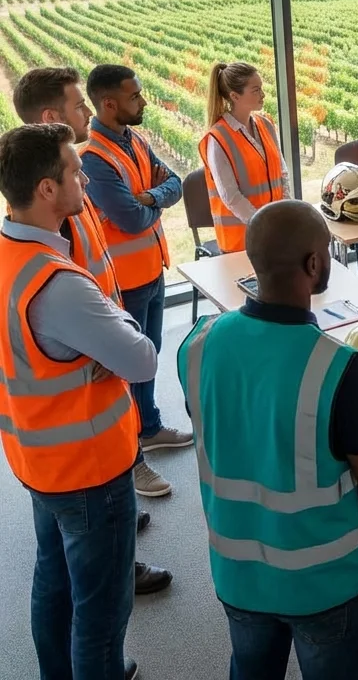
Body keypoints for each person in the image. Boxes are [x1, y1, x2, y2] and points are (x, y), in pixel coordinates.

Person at [177, 200, 358, 680]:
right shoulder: (342, 370)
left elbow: (225, 429)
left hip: (237, 574)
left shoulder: (196, 343)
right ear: (314, 264)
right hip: (326, 584)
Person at [0, 123, 159, 680]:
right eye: (74, 169)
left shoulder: (7, 257)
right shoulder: (60, 285)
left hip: (35, 460)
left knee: (53, 583)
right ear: (48, 189)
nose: (84, 175)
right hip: (89, 470)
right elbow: (141, 359)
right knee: (101, 615)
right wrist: (112, 326)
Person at [13, 66, 173, 596]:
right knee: (93, 593)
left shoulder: (47, 208)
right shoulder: (51, 227)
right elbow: (125, 221)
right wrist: (107, 336)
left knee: (55, 571)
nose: (87, 113)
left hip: (58, 433)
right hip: (79, 446)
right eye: (79, 106)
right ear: (52, 118)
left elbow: (164, 188)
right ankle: (118, 561)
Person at [81, 64, 192, 500]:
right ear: (109, 103)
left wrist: (151, 197)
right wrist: (150, 201)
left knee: (150, 354)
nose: (144, 102)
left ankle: (148, 426)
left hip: (149, 271)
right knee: (125, 371)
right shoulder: (94, 156)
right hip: (122, 284)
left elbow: (175, 182)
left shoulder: (135, 139)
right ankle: (133, 458)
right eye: (135, 96)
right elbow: (129, 218)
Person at [200, 61, 289, 253]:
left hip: (274, 234)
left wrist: (285, 214)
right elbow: (231, 197)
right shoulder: (217, 139)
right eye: (256, 90)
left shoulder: (266, 125)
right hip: (241, 243)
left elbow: (282, 173)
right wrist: (263, 226)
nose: (263, 94)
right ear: (234, 96)